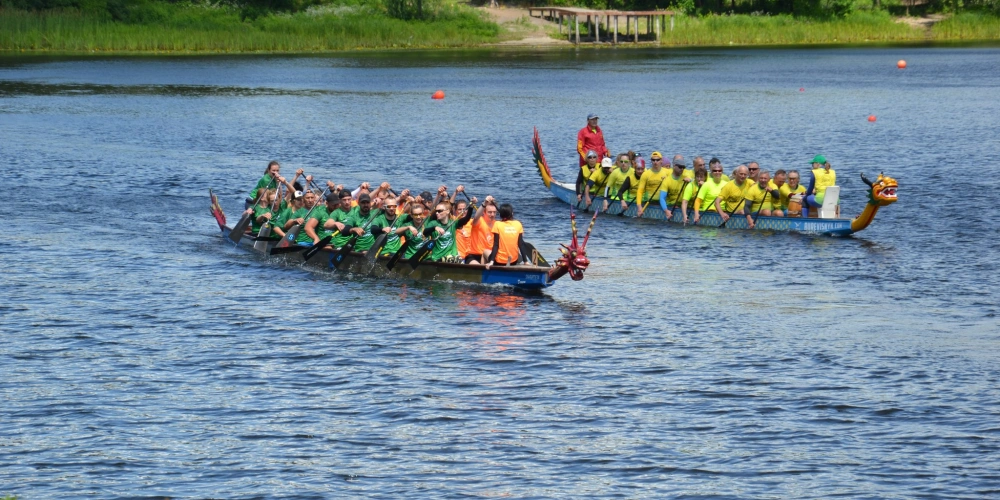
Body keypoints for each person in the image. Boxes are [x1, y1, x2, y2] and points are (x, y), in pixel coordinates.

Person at [486, 203, 526, 269]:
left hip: (499, 261)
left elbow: (496, 244)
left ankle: (483, 273)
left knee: (485, 252)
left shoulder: (497, 224)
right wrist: (525, 261)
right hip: (513, 261)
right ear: (512, 214)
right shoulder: (518, 224)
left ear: (501, 215)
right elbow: (521, 244)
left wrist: (491, 261)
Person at [635, 151, 671, 217]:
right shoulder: (646, 174)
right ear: (651, 161)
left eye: (657, 160)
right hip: (649, 203)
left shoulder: (668, 172)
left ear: (661, 161)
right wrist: (639, 207)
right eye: (653, 160)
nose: (655, 162)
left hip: (663, 203)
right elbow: (640, 191)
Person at [693, 158, 728, 224]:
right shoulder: (706, 184)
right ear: (711, 172)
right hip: (708, 212)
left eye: (719, 171)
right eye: (715, 171)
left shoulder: (726, 184)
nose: (717, 172)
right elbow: (698, 201)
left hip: (723, 211)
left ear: (722, 172)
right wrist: (696, 214)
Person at [658, 155, 694, 220]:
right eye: (680, 167)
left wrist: (691, 181)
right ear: (674, 166)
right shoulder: (667, 180)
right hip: (671, 207)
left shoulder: (686, 178)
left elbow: (696, 182)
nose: (682, 169)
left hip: (683, 206)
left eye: (683, 167)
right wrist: (666, 211)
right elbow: (662, 198)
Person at [466, 196, 497, 264]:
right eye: (490, 212)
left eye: (494, 212)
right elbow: (476, 217)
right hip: (474, 255)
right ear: (484, 212)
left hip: (488, 255)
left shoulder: (497, 224)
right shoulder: (479, 221)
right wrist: (484, 204)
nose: (492, 214)